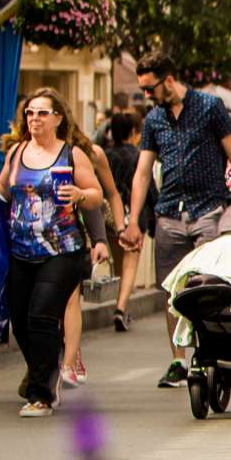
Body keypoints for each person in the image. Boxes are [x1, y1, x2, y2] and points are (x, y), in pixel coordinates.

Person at [125, 58, 231, 388]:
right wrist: (133, 220)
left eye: (150, 88)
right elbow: (141, 173)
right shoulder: (154, 119)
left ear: (168, 80)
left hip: (208, 209)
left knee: (208, 287)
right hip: (168, 214)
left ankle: (210, 353)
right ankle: (178, 360)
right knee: (172, 291)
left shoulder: (209, 107)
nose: (147, 95)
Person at [0, 89, 100, 417]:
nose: (34, 119)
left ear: (58, 118)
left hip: (62, 250)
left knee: (42, 314)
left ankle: (41, 394)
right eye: (30, 113)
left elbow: (96, 195)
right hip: (20, 249)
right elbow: (3, 189)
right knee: (20, 321)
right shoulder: (17, 152)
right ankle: (46, 368)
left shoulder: (72, 155)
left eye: (42, 113)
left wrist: (78, 194)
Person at [57, 105, 126, 390]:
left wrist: (112, 233)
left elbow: (108, 195)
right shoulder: (35, 153)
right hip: (48, 233)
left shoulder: (89, 154)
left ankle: (70, 358)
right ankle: (63, 353)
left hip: (81, 229)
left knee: (71, 297)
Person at [103, 110, 144, 332]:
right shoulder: (138, 155)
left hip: (111, 216)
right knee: (130, 264)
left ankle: (121, 306)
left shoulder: (106, 155)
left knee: (119, 264)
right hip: (134, 215)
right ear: (132, 132)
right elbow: (150, 189)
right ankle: (121, 308)